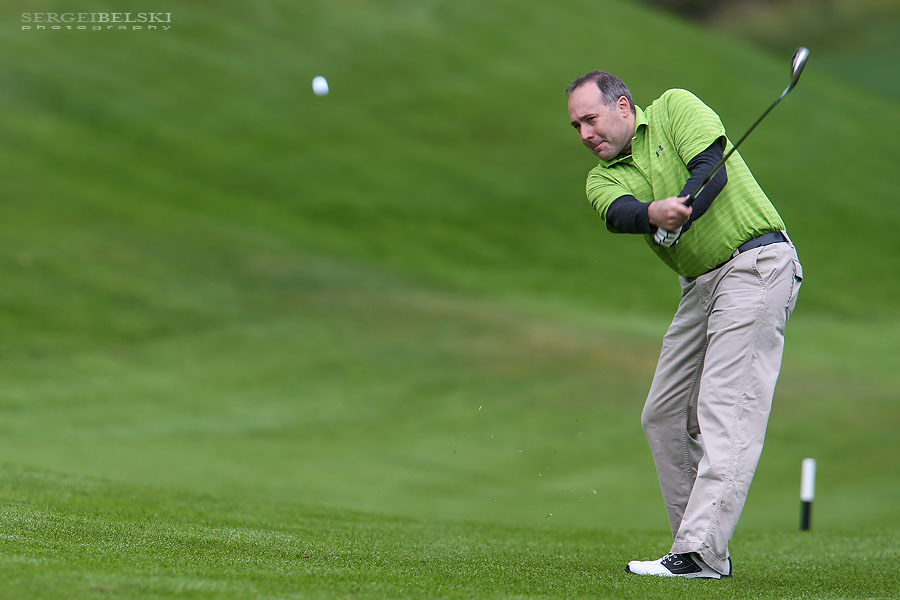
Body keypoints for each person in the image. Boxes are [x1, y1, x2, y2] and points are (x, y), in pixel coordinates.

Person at [566, 71, 803, 579]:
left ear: (623, 106)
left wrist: (683, 211)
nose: (585, 134)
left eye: (590, 119)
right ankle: (696, 548)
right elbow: (620, 214)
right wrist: (655, 213)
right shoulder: (600, 178)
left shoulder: (675, 107)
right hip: (699, 287)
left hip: (754, 264)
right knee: (664, 414)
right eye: (576, 126)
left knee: (726, 409)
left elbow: (711, 170)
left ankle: (699, 552)